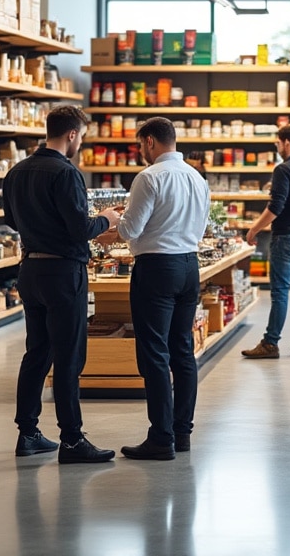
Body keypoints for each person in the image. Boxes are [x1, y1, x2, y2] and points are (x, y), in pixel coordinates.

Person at [3, 105, 119, 464]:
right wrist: (106, 219)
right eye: (81, 137)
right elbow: (79, 229)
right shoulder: (67, 173)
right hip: (63, 273)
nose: (80, 143)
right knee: (69, 356)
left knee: (37, 352)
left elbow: (11, 220)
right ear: (71, 135)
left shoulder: (17, 171)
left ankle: (29, 433)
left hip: (30, 270)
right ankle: (72, 440)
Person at [105, 117, 210, 461]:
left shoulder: (148, 177)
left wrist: (112, 218)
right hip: (189, 266)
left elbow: (130, 231)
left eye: (139, 145)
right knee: (182, 351)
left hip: (156, 269)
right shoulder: (197, 178)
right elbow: (201, 226)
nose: (140, 152)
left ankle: (160, 437)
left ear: (150, 142)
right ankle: (182, 433)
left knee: (154, 353)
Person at [242, 124, 290, 359]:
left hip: (286, 237)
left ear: (286, 142)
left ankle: (270, 343)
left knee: (279, 292)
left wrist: (254, 229)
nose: (277, 147)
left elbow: (275, 207)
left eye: (277, 143)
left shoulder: (283, 170)